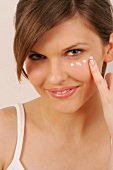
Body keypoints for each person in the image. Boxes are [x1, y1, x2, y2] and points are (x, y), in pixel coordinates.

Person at [0, 0, 113, 169]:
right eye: (37, 56)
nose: (55, 77)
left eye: (73, 52)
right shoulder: (4, 134)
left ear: (109, 49)